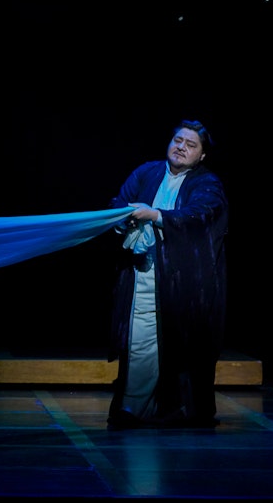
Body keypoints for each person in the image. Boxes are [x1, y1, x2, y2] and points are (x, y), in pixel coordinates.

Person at [105, 119, 228, 429]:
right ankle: (133, 409)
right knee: (140, 341)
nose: (181, 147)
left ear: (201, 155)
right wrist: (124, 219)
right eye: (177, 140)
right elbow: (119, 203)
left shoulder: (206, 183)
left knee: (181, 348)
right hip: (143, 276)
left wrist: (156, 215)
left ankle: (180, 410)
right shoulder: (147, 172)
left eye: (190, 144)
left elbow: (200, 215)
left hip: (183, 284)